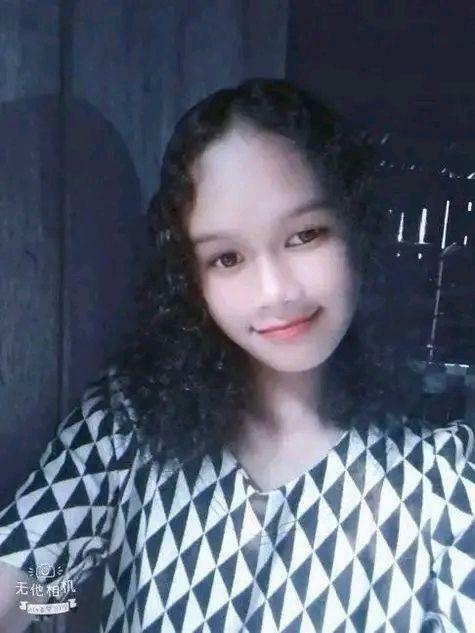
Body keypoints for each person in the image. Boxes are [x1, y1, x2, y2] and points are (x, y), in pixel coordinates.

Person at [0, 77, 473, 633]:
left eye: (305, 235)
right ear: (189, 279)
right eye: (226, 258)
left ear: (357, 230)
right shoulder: (130, 425)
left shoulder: (445, 478)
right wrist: (54, 593)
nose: (275, 292)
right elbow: (30, 590)